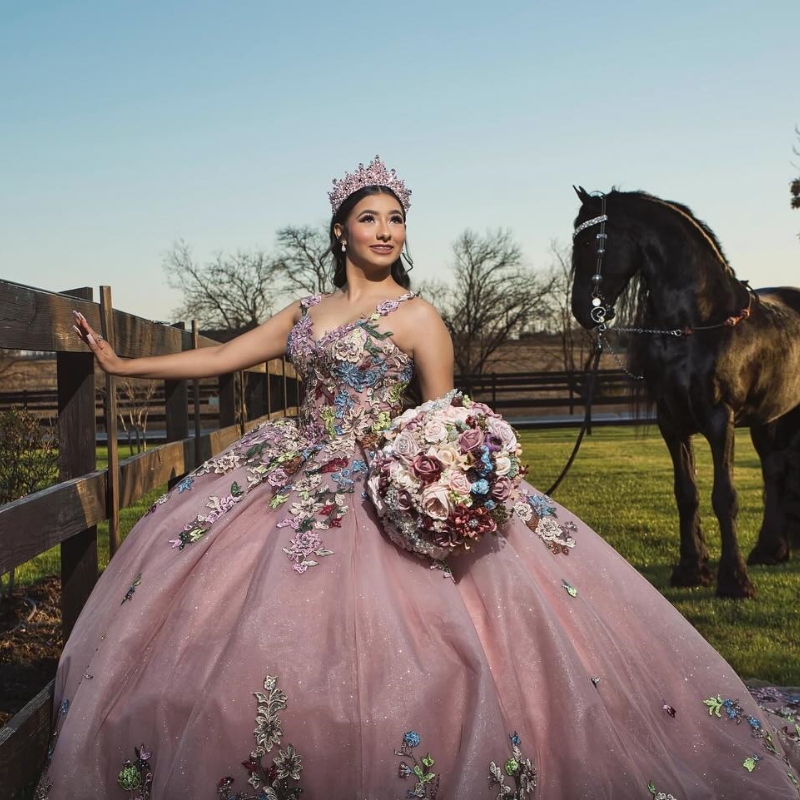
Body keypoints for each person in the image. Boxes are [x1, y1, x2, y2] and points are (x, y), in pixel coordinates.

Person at [38, 157, 798, 799]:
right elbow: (218, 357)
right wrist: (123, 363)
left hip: (385, 472)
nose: (385, 231)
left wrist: (450, 478)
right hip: (292, 463)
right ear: (341, 229)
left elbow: (444, 416)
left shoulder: (418, 317)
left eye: (396, 220)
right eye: (370, 217)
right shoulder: (305, 310)